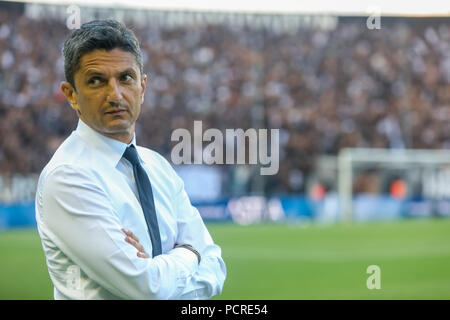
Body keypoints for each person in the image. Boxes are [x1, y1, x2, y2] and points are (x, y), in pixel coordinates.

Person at [35, 19, 226, 300]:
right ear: (71, 95)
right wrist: (189, 252)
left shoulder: (157, 166)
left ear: (142, 86)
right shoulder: (68, 176)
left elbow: (216, 270)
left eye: (125, 78)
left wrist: (159, 268)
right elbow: (147, 289)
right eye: (96, 81)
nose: (115, 95)